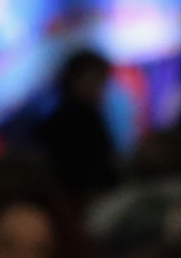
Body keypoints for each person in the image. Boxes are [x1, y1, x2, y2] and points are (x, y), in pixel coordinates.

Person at [32, 46, 124, 203]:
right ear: (74, 80)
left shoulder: (65, 118)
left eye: (102, 82)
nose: (100, 89)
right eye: (95, 81)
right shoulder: (74, 121)